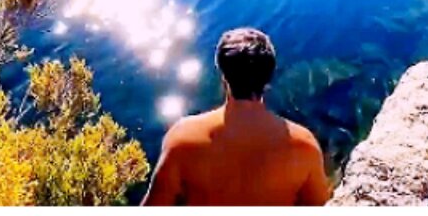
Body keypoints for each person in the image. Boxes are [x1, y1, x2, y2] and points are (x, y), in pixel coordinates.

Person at [143, 28, 333, 206]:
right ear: (268, 78)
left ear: (223, 77)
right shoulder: (303, 145)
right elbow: (321, 206)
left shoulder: (182, 139)